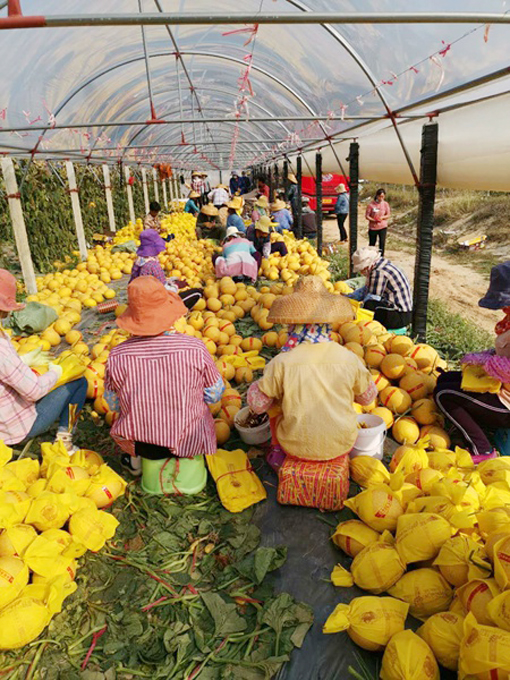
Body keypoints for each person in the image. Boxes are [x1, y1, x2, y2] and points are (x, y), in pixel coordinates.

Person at [247, 275, 376, 463]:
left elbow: (257, 406)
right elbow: (368, 398)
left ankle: (277, 451)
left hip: (293, 447)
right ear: (327, 324)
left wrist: (259, 384)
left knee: (273, 396)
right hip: (342, 444)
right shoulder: (349, 359)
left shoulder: (281, 362)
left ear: (292, 325)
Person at [104, 276, 224, 476]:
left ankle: (135, 464)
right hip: (190, 439)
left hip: (144, 445)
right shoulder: (194, 347)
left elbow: (113, 403)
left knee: (131, 418)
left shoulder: (117, 355)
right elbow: (215, 394)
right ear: (170, 314)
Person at [0, 269, 87, 452]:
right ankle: (64, 441)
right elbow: (34, 391)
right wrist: (57, 372)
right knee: (79, 382)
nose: (6, 316)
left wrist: (23, 360)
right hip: (13, 430)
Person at [434, 262, 510, 463]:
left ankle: (483, 450)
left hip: (507, 404)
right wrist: (483, 356)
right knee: (446, 379)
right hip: (501, 389)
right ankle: (473, 423)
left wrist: (484, 361)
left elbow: (506, 368)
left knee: (444, 395)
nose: (502, 308)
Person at [130, 229, 203, 309]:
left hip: (139, 303)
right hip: (154, 306)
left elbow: (147, 282)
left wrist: (170, 280)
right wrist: (177, 285)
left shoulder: (138, 262)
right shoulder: (154, 266)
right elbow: (165, 290)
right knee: (196, 293)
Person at [351, 247, 412, 330]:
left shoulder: (379, 272)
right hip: (403, 313)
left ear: (368, 265)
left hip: (399, 316)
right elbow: (365, 290)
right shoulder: (380, 265)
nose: (361, 272)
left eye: (361, 269)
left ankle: (366, 329)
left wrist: (357, 312)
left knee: (369, 305)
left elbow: (373, 297)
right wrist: (348, 298)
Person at [366, 188, 391, 255]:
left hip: (382, 226)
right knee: (372, 243)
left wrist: (382, 217)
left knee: (382, 242)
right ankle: (371, 256)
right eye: (380, 196)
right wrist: (373, 219)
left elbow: (388, 214)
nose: (381, 198)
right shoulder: (371, 205)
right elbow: (367, 216)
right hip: (373, 227)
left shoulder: (385, 204)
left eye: (382, 196)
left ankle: (381, 256)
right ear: (377, 196)